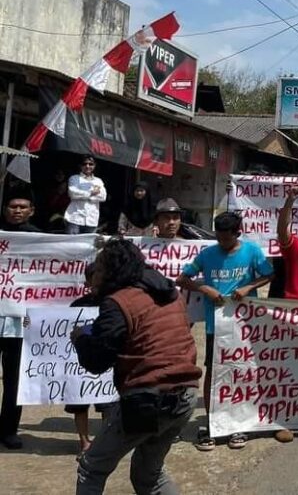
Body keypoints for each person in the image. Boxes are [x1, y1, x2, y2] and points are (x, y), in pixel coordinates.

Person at [71, 239, 201, 494]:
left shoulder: (119, 302)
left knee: (91, 467)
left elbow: (97, 362)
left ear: (111, 270)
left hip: (147, 398)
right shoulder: (170, 294)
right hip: (186, 395)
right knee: (148, 474)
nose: (95, 274)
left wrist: (81, 339)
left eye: (99, 268)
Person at [177, 211, 273, 452]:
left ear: (237, 233)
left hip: (244, 324)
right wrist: (205, 288)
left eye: (226, 239)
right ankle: (212, 421)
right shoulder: (207, 254)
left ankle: (238, 421)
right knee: (213, 370)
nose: (221, 243)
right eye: (218, 238)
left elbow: (269, 274)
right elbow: (182, 279)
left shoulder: (252, 251)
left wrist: (249, 287)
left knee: (240, 371)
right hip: (215, 324)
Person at [64, 263, 115, 460]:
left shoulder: (113, 304)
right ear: (87, 283)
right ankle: (84, 443)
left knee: (108, 404)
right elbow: (57, 328)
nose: (99, 288)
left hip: (106, 362)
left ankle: (106, 443)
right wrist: (32, 323)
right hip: (79, 363)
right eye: (94, 284)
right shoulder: (77, 305)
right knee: (79, 404)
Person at [0, 192, 39, 450]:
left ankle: (9, 429)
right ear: (5, 209)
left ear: (31, 210)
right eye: (13, 206)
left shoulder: (40, 239)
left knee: (15, 378)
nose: (17, 210)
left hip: (19, 321)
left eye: (22, 207)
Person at [65, 156, 106, 234]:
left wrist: (85, 195)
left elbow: (103, 197)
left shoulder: (98, 181)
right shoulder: (74, 178)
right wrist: (91, 193)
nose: (87, 166)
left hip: (92, 219)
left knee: (88, 246)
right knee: (71, 245)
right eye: (85, 164)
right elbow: (72, 193)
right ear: (80, 166)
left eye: (91, 164)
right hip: (75, 218)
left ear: (94, 166)